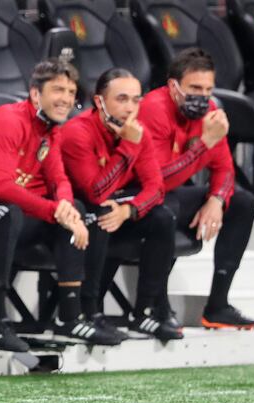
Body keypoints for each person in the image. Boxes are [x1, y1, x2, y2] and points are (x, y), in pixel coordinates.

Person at [0, 59, 122, 347]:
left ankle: (72, 317)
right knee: (11, 212)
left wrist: (65, 207)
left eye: (70, 91)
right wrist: (55, 211)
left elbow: (59, 180)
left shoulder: (50, 129)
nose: (66, 98)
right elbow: (1, 187)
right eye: (58, 90)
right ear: (35, 94)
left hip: (2, 215)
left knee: (80, 210)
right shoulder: (8, 121)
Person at [138, 47, 254, 330]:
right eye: (194, 88)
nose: (202, 97)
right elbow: (157, 182)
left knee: (242, 202)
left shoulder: (212, 110)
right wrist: (204, 144)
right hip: (142, 197)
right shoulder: (153, 109)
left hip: (173, 192)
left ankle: (218, 306)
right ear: (173, 86)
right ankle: (158, 306)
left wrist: (216, 200)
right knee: (164, 209)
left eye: (208, 89)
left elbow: (225, 169)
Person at [61, 68, 181, 341]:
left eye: (136, 100)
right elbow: (95, 191)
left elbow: (156, 187)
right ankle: (90, 311)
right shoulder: (77, 133)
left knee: (162, 217)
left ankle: (146, 311)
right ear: (99, 101)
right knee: (102, 211)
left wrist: (130, 211)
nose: (130, 108)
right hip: (77, 213)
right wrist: (128, 146)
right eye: (122, 99)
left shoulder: (139, 133)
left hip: (115, 210)